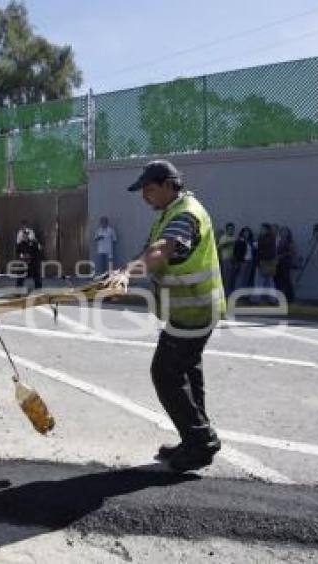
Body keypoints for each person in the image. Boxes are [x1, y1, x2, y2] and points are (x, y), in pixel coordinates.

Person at [113, 160, 224, 472]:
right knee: (187, 373)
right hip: (190, 309)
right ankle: (195, 439)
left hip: (195, 309)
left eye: (149, 189)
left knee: (165, 373)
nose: (145, 196)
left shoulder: (185, 213)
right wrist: (124, 272)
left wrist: (126, 273)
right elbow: (150, 251)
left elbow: (162, 250)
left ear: (167, 184)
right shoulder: (171, 212)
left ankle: (201, 440)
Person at [253, 223, 277, 304]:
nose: (261, 230)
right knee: (269, 282)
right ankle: (271, 299)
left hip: (264, 262)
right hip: (268, 262)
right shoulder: (271, 238)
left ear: (266, 230)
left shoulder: (267, 238)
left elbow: (260, 247)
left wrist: (258, 242)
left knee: (260, 281)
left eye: (262, 229)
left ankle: (257, 298)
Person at [15, 219, 42, 291]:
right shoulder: (21, 243)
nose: (25, 236)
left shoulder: (34, 242)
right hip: (24, 263)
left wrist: (32, 258)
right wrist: (23, 256)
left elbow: (38, 250)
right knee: (20, 276)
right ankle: (18, 291)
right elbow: (18, 251)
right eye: (24, 235)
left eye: (26, 234)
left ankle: (39, 291)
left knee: (37, 276)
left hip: (33, 263)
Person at [274, 226, 296, 304]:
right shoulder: (278, 241)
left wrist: (282, 256)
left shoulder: (290, 242)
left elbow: (291, 252)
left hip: (285, 263)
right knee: (277, 281)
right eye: (282, 231)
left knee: (286, 280)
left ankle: (289, 298)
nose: (284, 233)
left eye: (285, 231)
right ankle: (278, 297)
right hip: (278, 263)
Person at [232, 226, 256, 294]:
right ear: (242, 233)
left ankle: (243, 292)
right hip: (243, 261)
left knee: (247, 277)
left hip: (250, 261)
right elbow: (236, 252)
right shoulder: (239, 241)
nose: (246, 234)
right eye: (245, 232)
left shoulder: (251, 242)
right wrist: (237, 261)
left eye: (247, 232)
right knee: (240, 277)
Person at [217, 223, 236, 295]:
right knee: (225, 276)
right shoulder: (223, 237)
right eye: (229, 229)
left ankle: (229, 291)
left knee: (231, 276)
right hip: (225, 259)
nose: (231, 231)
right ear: (227, 230)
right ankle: (224, 292)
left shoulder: (234, 237)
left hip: (232, 259)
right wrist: (227, 243)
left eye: (232, 229)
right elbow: (219, 247)